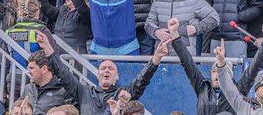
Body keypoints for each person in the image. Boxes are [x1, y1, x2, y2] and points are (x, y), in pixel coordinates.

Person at [34, 31, 169, 114]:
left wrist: (156, 58)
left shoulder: (123, 93)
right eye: (103, 68)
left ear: (117, 76)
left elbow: (142, 80)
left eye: (111, 69)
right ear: (97, 75)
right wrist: (47, 47)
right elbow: (63, 73)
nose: (106, 71)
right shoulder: (84, 92)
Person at [169, 18, 263, 115]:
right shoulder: (203, 88)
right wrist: (174, 34)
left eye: (220, 72)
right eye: (214, 71)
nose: (217, 75)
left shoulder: (237, 91)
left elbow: (255, 67)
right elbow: (187, 62)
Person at [21, 50, 72, 115]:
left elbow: (73, 112)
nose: (29, 71)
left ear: (44, 69)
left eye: (32, 68)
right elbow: (16, 109)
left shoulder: (64, 90)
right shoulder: (28, 88)